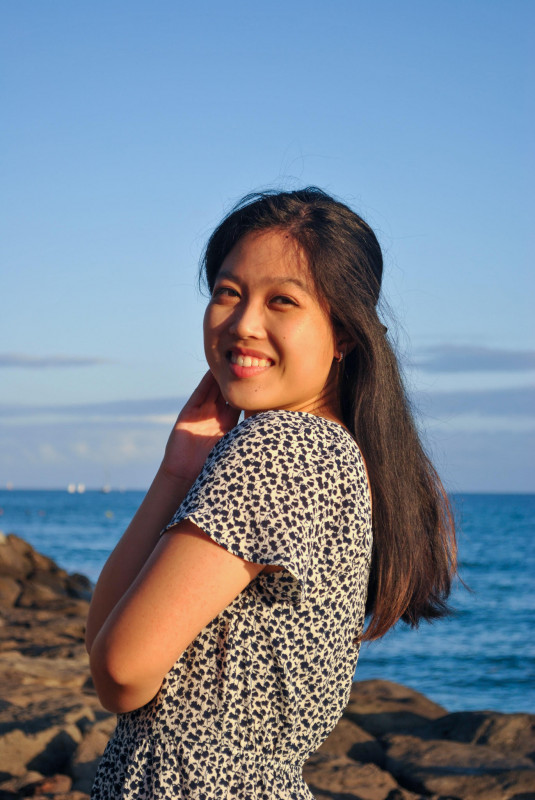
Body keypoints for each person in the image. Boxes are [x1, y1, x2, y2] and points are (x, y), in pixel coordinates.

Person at [86, 188, 456, 799]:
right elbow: (105, 650)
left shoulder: (281, 448)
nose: (243, 323)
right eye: (228, 293)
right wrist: (178, 471)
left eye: (282, 300)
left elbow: (120, 673)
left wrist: (181, 479)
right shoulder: (334, 452)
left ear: (344, 334)